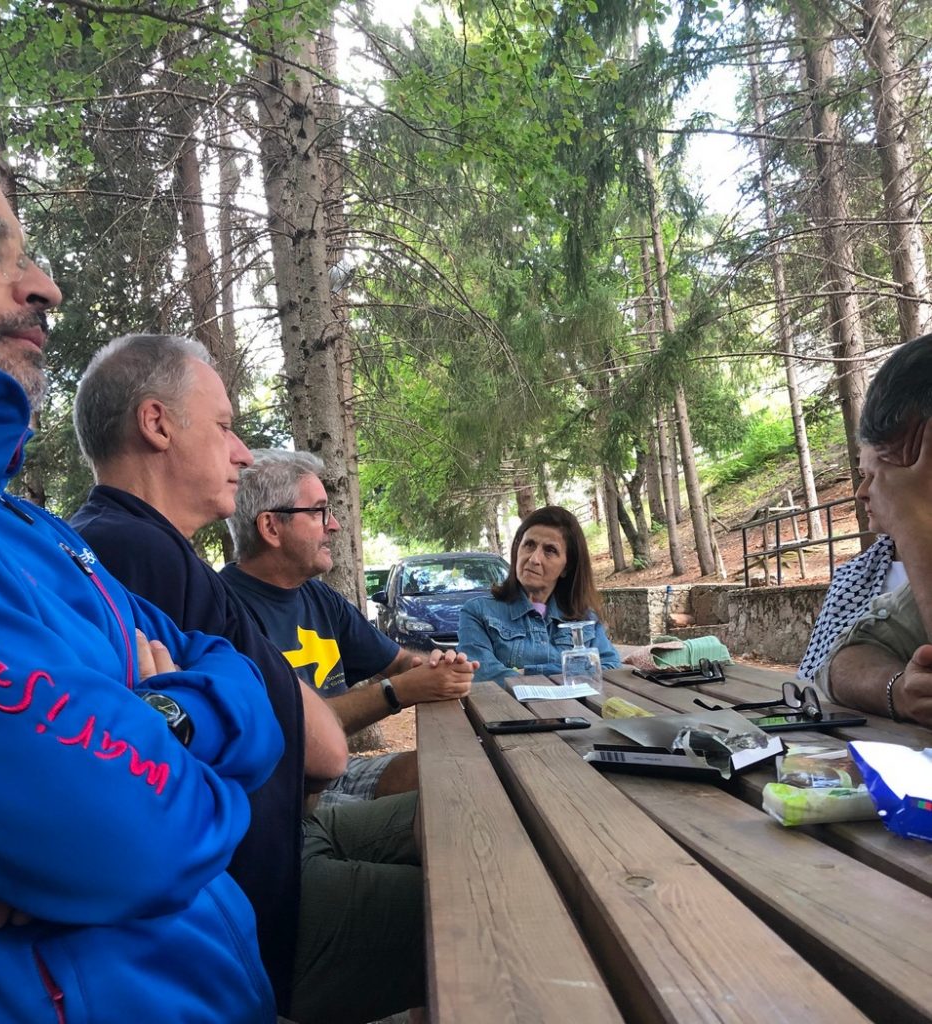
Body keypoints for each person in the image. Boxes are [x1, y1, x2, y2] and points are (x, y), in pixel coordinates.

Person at [0, 161, 284, 1020]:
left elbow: (243, 687)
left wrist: (160, 719)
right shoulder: (112, 541)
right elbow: (138, 836)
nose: (44, 286)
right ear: (156, 425)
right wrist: (134, 798)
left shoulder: (42, 535)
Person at [70, 333, 422, 1024]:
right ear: (156, 423)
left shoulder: (128, 548)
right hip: (264, 907)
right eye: (225, 427)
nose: (241, 453)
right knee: (499, 890)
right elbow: (323, 753)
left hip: (288, 839)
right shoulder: (138, 553)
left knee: (464, 820)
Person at [223, 449, 476, 801]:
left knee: (458, 771)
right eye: (318, 512)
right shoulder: (225, 611)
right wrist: (398, 691)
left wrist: (435, 667)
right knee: (451, 805)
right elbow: (294, 730)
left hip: (338, 774)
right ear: (270, 527)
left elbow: (398, 661)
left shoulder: (317, 596)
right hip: (281, 796)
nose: (334, 525)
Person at [815, 332, 932, 727]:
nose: (871, 491)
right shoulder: (860, 571)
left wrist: (910, 522)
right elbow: (840, 660)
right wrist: (899, 690)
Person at [459, 505, 621, 686]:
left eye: (550, 550)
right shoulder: (479, 611)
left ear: (566, 567)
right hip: (507, 706)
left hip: (577, 705)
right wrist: (572, 672)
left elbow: (611, 667)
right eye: (529, 545)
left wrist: (528, 672)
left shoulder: (584, 617)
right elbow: (482, 673)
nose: (534, 559)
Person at [797, 445, 906, 682]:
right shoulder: (851, 576)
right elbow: (814, 674)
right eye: (863, 476)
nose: (861, 492)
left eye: (875, 475)